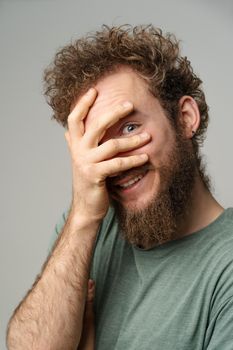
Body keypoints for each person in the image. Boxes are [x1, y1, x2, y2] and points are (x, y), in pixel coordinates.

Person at [6, 25, 233, 350]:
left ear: (185, 117)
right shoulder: (87, 228)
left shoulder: (226, 264)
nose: (115, 159)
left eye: (130, 127)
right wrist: (83, 217)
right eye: (99, 141)